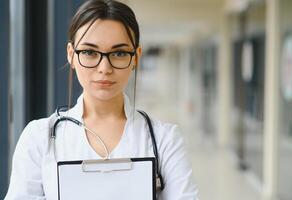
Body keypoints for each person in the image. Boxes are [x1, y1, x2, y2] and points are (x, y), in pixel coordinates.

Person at [5, 0, 199, 199]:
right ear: (71, 55)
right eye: (89, 52)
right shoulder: (38, 138)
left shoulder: (165, 140)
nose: (104, 68)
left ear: (136, 57)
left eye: (119, 53)